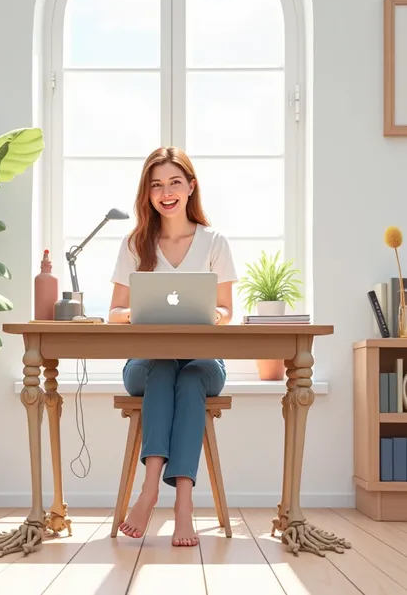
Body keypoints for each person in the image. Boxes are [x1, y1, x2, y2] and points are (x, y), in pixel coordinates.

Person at [109, 146, 238, 547]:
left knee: (192, 374)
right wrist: (137, 314)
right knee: (164, 366)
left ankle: (182, 503)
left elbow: (226, 309)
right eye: (156, 185)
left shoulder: (214, 241)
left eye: (174, 183)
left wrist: (213, 314)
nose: (166, 192)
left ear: (191, 187)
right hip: (146, 364)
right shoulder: (136, 243)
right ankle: (151, 492)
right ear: (147, 194)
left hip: (203, 362)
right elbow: (114, 311)